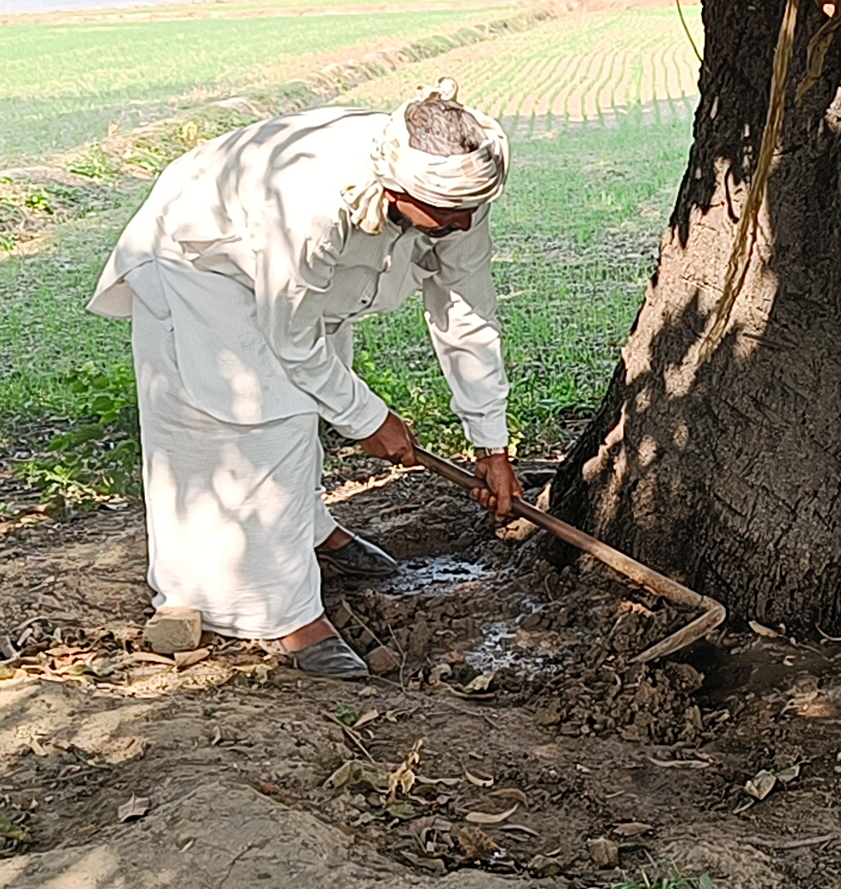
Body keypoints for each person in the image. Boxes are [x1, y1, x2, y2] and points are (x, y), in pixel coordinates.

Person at [86, 79, 523, 679]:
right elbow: (290, 339)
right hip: (205, 262)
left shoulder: (456, 191)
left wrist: (491, 443)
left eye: (472, 210)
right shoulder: (310, 204)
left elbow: (465, 310)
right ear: (395, 188)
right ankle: (284, 615)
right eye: (448, 216)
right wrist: (371, 420)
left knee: (313, 390)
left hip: (292, 287)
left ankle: (313, 531)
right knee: (271, 418)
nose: (464, 221)